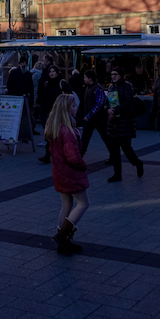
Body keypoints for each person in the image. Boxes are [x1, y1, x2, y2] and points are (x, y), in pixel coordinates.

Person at [45, 93, 89, 255]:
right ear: (65, 109)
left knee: (66, 205)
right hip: (70, 173)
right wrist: (83, 165)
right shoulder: (68, 130)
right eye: (73, 106)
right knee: (83, 203)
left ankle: (63, 242)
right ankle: (63, 236)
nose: (76, 109)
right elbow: (73, 157)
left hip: (59, 171)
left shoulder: (54, 126)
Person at [106, 66, 144, 182]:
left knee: (126, 148)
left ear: (121, 75)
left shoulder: (127, 86)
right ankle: (117, 174)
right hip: (113, 123)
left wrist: (116, 110)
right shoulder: (111, 88)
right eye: (112, 74)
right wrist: (108, 109)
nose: (113, 76)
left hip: (124, 122)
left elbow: (128, 102)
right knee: (114, 150)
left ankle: (137, 163)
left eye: (115, 74)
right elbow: (107, 102)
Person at [81, 68, 110, 158]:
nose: (84, 79)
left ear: (90, 78)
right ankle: (79, 155)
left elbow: (98, 104)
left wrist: (89, 115)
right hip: (92, 118)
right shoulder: (89, 87)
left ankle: (113, 155)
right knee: (85, 138)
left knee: (105, 137)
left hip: (98, 118)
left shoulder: (96, 88)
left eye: (85, 77)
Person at [38, 65, 63, 163]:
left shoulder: (61, 83)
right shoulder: (47, 84)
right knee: (49, 135)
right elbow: (43, 97)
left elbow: (68, 96)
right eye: (50, 72)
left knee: (58, 134)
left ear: (57, 72)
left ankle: (59, 154)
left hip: (59, 112)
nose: (52, 73)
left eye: (53, 71)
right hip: (49, 112)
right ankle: (47, 155)